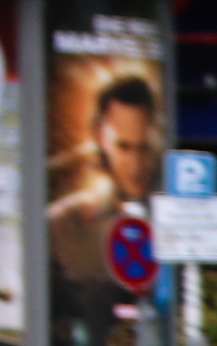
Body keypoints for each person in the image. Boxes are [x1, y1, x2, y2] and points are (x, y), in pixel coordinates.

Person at [48, 76, 160, 284]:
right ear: (101, 136)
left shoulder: (171, 221)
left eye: (143, 147)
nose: (135, 166)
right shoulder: (63, 224)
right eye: (123, 147)